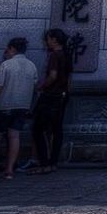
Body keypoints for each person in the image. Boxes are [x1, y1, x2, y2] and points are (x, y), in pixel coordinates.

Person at [0, 37, 38, 180]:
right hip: (22, 106)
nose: (6, 51)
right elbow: (35, 87)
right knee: (14, 136)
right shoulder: (32, 66)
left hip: (4, 105)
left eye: (8, 48)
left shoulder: (6, 65)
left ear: (13, 48)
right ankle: (9, 170)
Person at [30, 28, 72, 174]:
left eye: (48, 39)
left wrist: (41, 86)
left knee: (38, 129)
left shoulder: (55, 55)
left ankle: (44, 163)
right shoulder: (67, 54)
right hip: (62, 95)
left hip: (51, 96)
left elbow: (53, 76)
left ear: (54, 40)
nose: (46, 42)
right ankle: (53, 163)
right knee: (56, 130)